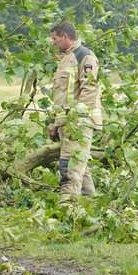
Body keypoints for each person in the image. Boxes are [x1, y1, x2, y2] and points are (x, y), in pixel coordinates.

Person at [47, 21, 102, 200]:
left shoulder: (85, 56)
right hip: (67, 123)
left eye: (55, 38)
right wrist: (55, 123)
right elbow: (62, 97)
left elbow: (90, 90)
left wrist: (74, 121)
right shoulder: (66, 59)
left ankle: (68, 209)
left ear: (65, 36)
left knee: (70, 167)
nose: (53, 42)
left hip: (78, 123)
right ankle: (90, 205)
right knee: (81, 168)